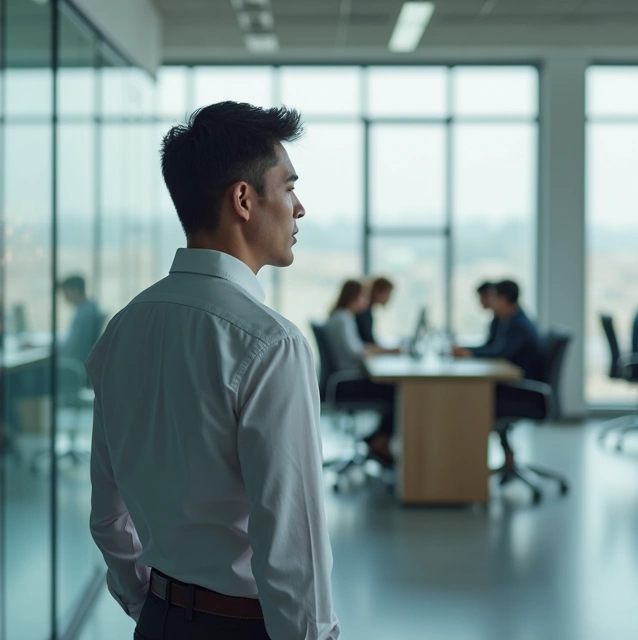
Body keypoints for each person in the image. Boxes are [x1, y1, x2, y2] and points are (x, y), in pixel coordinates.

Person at [86, 102, 338, 640]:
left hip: (157, 620)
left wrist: (148, 605)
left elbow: (108, 516)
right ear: (243, 199)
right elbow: (292, 549)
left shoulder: (123, 328)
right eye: (289, 187)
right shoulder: (273, 345)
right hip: (244, 627)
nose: (300, 208)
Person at [327, 279, 401, 467]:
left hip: (347, 378)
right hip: (347, 382)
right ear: (354, 297)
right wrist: (384, 351)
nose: (366, 302)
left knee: (394, 389)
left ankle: (376, 438)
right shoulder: (343, 318)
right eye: (363, 297)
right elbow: (356, 351)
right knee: (396, 392)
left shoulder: (341, 317)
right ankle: (380, 440)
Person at [454, 280, 542, 381]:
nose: (490, 302)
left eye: (493, 298)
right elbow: (491, 346)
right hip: (511, 379)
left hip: (520, 382)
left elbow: (502, 353)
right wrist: (467, 350)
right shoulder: (506, 320)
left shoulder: (520, 325)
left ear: (503, 300)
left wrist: (470, 353)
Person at [58, 275, 103, 363]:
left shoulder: (85, 313)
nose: (64, 296)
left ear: (75, 291)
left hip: (77, 363)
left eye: (66, 292)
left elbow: (74, 347)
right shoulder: (88, 308)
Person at [355, 276, 393, 346]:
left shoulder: (367, 311)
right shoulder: (363, 313)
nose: (389, 297)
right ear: (379, 292)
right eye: (388, 293)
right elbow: (367, 342)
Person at [476, 281, 499, 348]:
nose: (480, 301)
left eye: (482, 297)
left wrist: (469, 351)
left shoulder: (506, 320)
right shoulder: (497, 319)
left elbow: (496, 349)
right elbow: (490, 345)